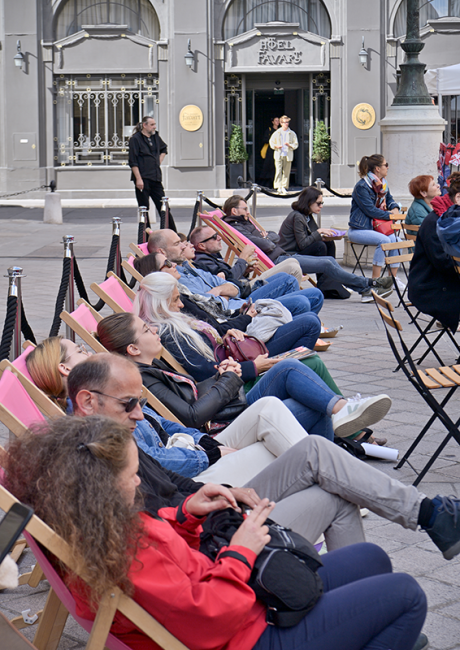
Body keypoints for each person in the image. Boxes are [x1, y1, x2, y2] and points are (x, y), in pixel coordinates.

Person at [3, 416, 429, 650]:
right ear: (97, 489)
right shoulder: (125, 550)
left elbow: (167, 557)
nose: (138, 484)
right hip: (246, 636)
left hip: (240, 608)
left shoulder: (101, 529)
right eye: (131, 476)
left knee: (373, 560)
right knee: (407, 595)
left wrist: (187, 514)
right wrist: (240, 553)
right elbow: (207, 621)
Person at [65, 353, 460, 569]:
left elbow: (167, 481)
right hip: (215, 543)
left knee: (315, 451)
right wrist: (205, 478)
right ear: (87, 400)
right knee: (330, 485)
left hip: (211, 511)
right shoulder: (95, 458)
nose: (138, 413)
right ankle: (377, 582)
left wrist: (210, 491)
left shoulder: (109, 434)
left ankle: (424, 519)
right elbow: (156, 536)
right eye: (130, 404)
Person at [96, 312, 390, 445]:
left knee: (291, 368)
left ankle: (341, 412)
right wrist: (228, 381)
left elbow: (192, 393)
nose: (154, 331)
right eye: (146, 330)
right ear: (133, 348)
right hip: (223, 426)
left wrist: (224, 374)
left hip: (228, 406)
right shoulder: (141, 379)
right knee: (311, 401)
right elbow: (191, 416)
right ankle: (337, 442)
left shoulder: (150, 365)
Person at [222, 195, 394, 302]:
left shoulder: (243, 223)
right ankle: (367, 286)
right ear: (234, 210)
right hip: (279, 260)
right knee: (327, 263)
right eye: (245, 209)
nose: (248, 212)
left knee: (328, 258)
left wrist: (267, 237)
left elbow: (274, 236)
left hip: (280, 255)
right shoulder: (238, 227)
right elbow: (267, 243)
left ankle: (364, 287)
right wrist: (266, 238)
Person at [148, 228, 324, 317]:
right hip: (238, 312)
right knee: (301, 299)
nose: (185, 246)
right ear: (161, 252)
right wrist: (224, 290)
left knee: (312, 293)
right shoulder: (174, 280)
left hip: (240, 299)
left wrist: (220, 290)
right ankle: (290, 330)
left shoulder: (187, 268)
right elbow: (212, 306)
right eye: (177, 244)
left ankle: (288, 326)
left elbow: (233, 287)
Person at [408, 181, 460, 332]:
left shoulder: (448, 218)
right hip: (429, 287)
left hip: (439, 280)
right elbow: (442, 261)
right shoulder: (439, 222)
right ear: (458, 198)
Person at [348, 154, 403, 292]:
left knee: (397, 240)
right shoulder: (362, 186)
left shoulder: (383, 184)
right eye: (386, 165)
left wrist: (395, 208)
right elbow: (370, 210)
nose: (388, 167)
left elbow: (389, 200)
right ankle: (375, 282)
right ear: (377, 169)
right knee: (384, 241)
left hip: (377, 228)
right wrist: (391, 215)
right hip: (359, 229)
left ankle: (392, 280)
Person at [190, 224, 303, 285]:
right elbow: (226, 282)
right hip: (244, 291)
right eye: (214, 237)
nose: (219, 238)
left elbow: (229, 275)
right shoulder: (202, 261)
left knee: (293, 262)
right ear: (201, 246)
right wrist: (242, 258)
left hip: (244, 285)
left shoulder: (212, 255)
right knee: (292, 267)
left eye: (217, 234)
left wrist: (245, 271)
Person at [25, 337, 91, 412]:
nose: (89, 354)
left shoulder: (85, 404)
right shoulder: (91, 406)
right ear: (65, 368)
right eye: (80, 351)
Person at [128, 116, 170, 223]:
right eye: (152, 125)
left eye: (155, 124)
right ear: (144, 125)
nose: (154, 127)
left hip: (155, 177)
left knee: (164, 207)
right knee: (144, 209)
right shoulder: (135, 139)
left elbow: (164, 148)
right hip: (143, 178)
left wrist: (158, 161)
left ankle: (171, 233)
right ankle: (145, 236)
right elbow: (133, 161)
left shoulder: (155, 137)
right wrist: (138, 179)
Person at [279, 186, 337, 257]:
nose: (321, 206)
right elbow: (302, 244)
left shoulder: (308, 214)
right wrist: (319, 232)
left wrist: (323, 237)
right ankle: (322, 267)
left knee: (329, 242)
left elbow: (311, 236)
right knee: (320, 246)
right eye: (318, 203)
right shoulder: (298, 216)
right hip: (290, 253)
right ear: (309, 202)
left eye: (322, 203)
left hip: (298, 248)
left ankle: (331, 266)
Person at [269, 115, 298, 194]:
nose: (287, 124)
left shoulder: (292, 133)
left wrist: (290, 145)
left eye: (287, 122)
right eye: (285, 122)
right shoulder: (277, 133)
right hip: (279, 153)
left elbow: (296, 144)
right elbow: (271, 142)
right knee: (278, 170)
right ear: (281, 123)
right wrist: (276, 146)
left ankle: (284, 186)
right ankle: (278, 186)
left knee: (286, 171)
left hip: (288, 155)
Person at [260, 116, 279, 187]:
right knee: (268, 166)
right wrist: (272, 141)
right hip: (270, 150)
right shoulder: (269, 130)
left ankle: (274, 182)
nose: (277, 122)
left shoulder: (280, 130)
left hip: (277, 150)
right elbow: (264, 139)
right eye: (276, 120)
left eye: (278, 120)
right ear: (272, 122)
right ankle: (266, 182)